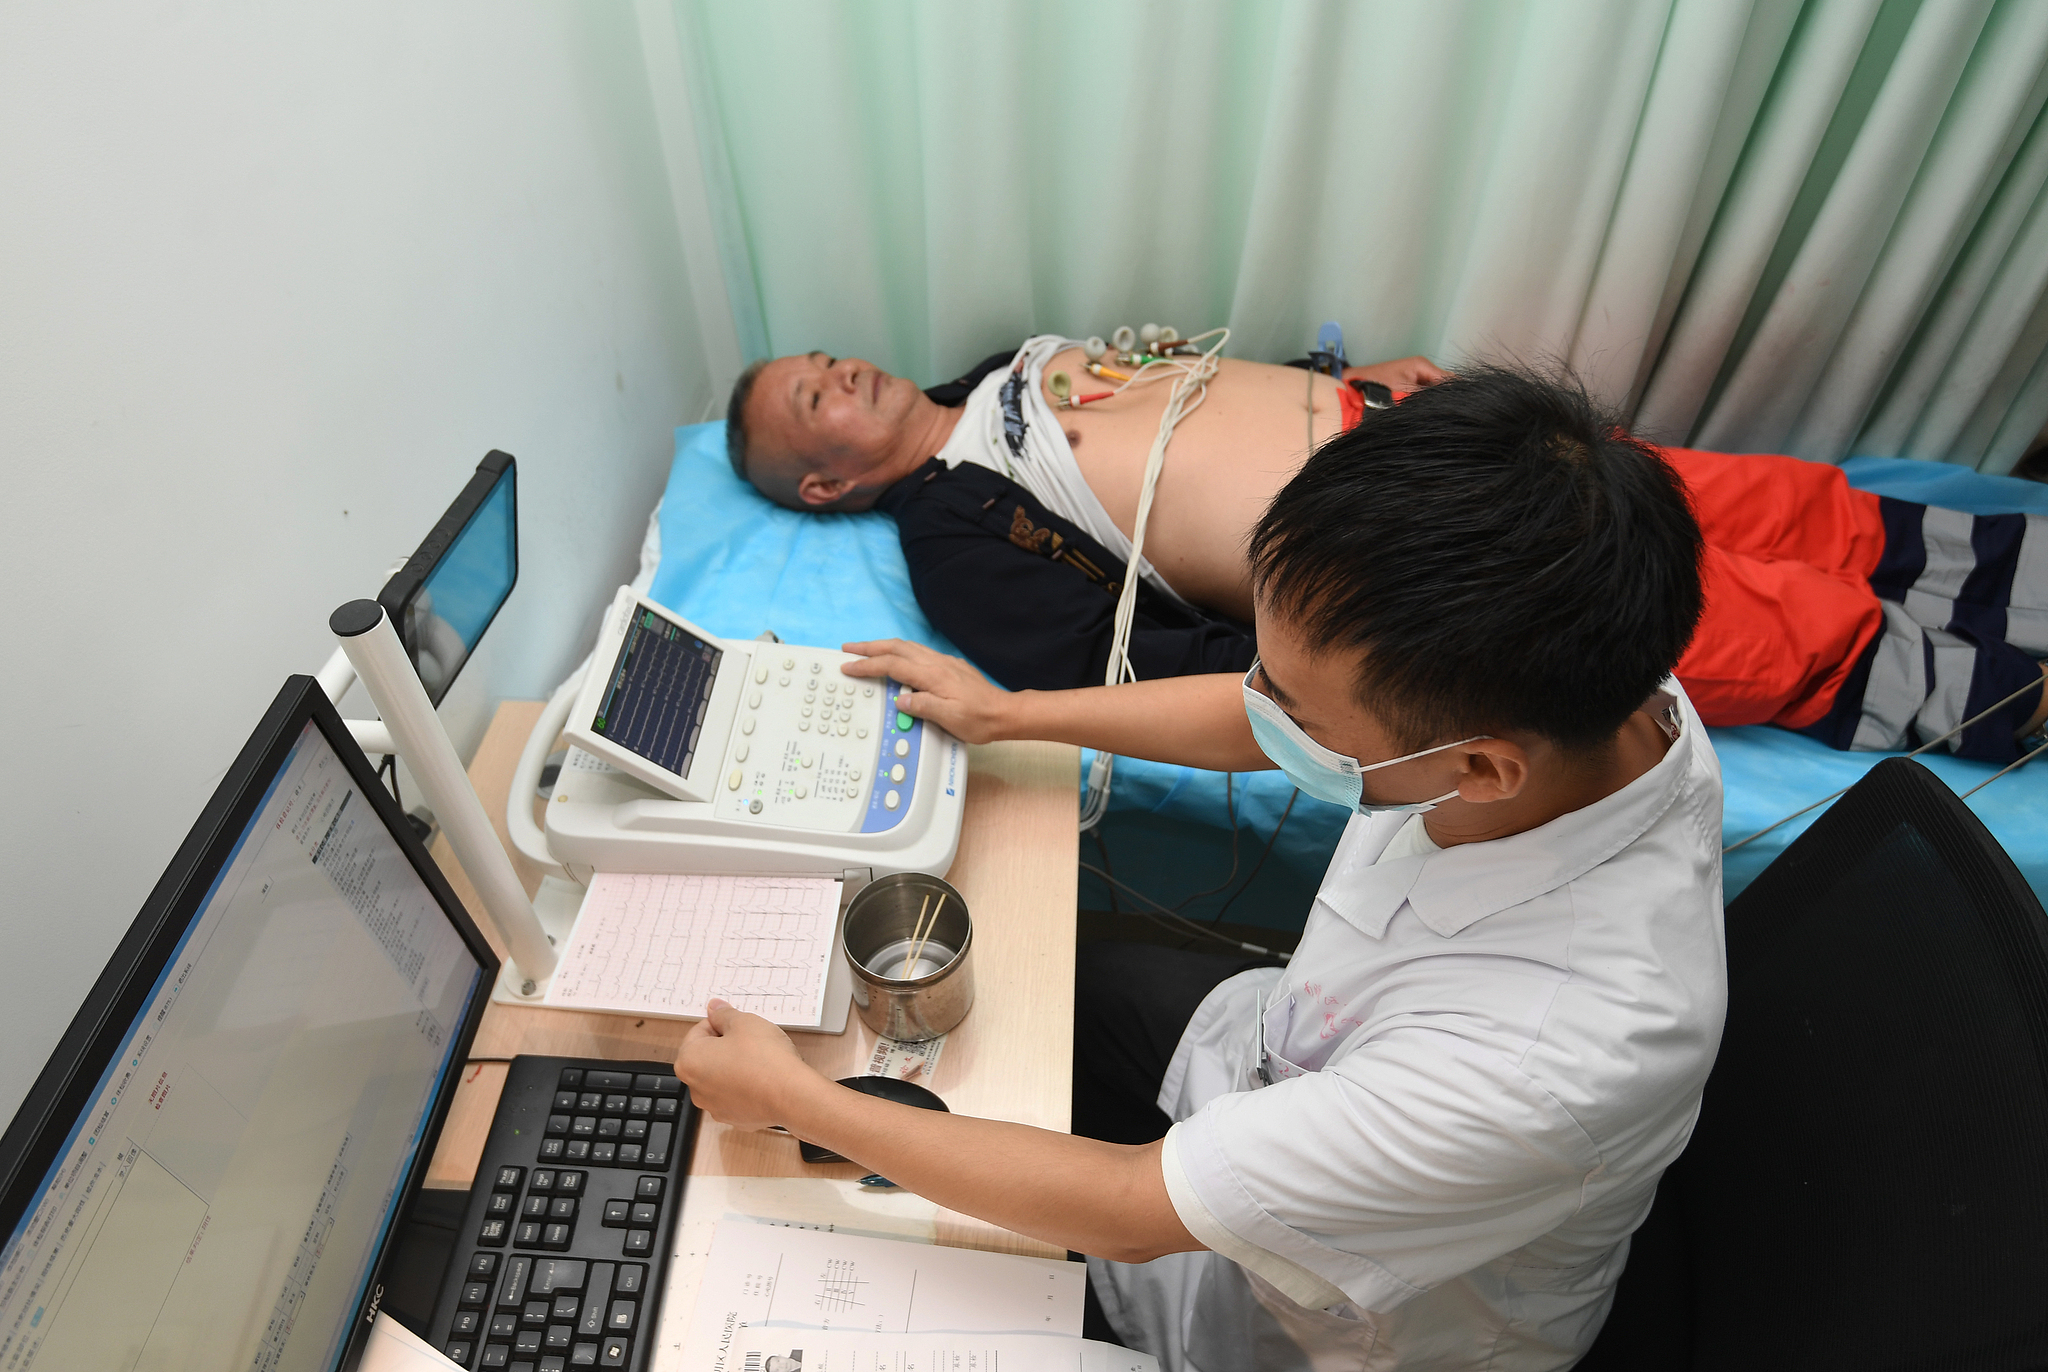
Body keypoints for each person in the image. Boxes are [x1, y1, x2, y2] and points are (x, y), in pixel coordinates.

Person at [678, 366, 1726, 1371]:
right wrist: (1012, 715)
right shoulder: (1574, 652)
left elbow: (1133, 1211)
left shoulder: (1534, 1061)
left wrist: (797, 1098)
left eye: (1298, 705)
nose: (1261, 704)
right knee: (1041, 985)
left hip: (1327, 1327)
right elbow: (1275, 709)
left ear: (1480, 768)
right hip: (1287, 1038)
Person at [728, 338, 2048, 762]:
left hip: (1423, 430)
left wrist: (1343, 378)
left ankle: (2013, 577)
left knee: (1781, 504)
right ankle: (2008, 692)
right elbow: (1104, 652)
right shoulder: (959, 539)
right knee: (1761, 627)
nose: (840, 369)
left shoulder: (1009, 361)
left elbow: (1192, 380)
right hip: (1419, 547)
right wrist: (1325, 675)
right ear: (832, 482)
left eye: (825, 358)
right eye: (814, 399)